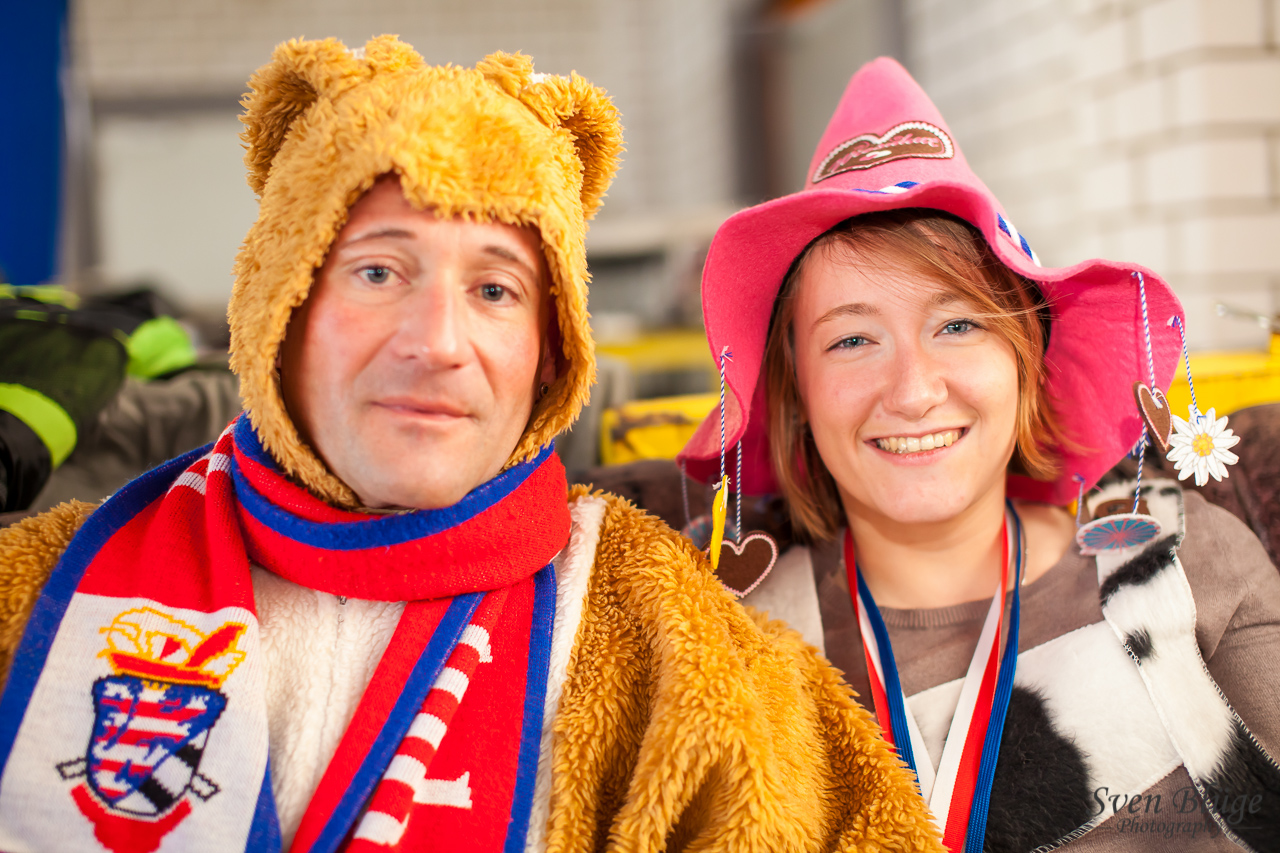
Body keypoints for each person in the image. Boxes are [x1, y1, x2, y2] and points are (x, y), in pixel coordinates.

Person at [0, 39, 941, 853]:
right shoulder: (36, 594)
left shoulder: (668, 638)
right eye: (378, 271)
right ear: (280, 308)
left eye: (495, 290)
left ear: (550, 351)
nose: (437, 342)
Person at [680, 58, 1280, 851]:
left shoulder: (1190, 565)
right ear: (797, 396)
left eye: (958, 324)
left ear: (1026, 359)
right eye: (852, 339)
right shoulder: (727, 638)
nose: (913, 391)